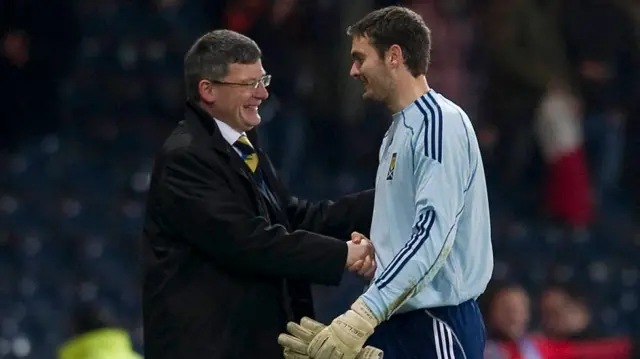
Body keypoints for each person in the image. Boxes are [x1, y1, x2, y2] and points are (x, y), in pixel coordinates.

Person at [142, 29, 378, 359]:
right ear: (207, 90)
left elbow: (291, 217)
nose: (263, 93)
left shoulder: (241, 145)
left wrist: (383, 199)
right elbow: (247, 241)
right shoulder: (186, 158)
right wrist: (342, 254)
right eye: (249, 84)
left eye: (263, 79)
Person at [279, 6, 493, 359]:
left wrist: (362, 314)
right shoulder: (399, 131)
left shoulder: (438, 123)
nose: (353, 70)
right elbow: (417, 232)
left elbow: (433, 233)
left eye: (360, 58)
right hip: (399, 317)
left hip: (434, 322)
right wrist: (383, 249)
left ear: (394, 56)